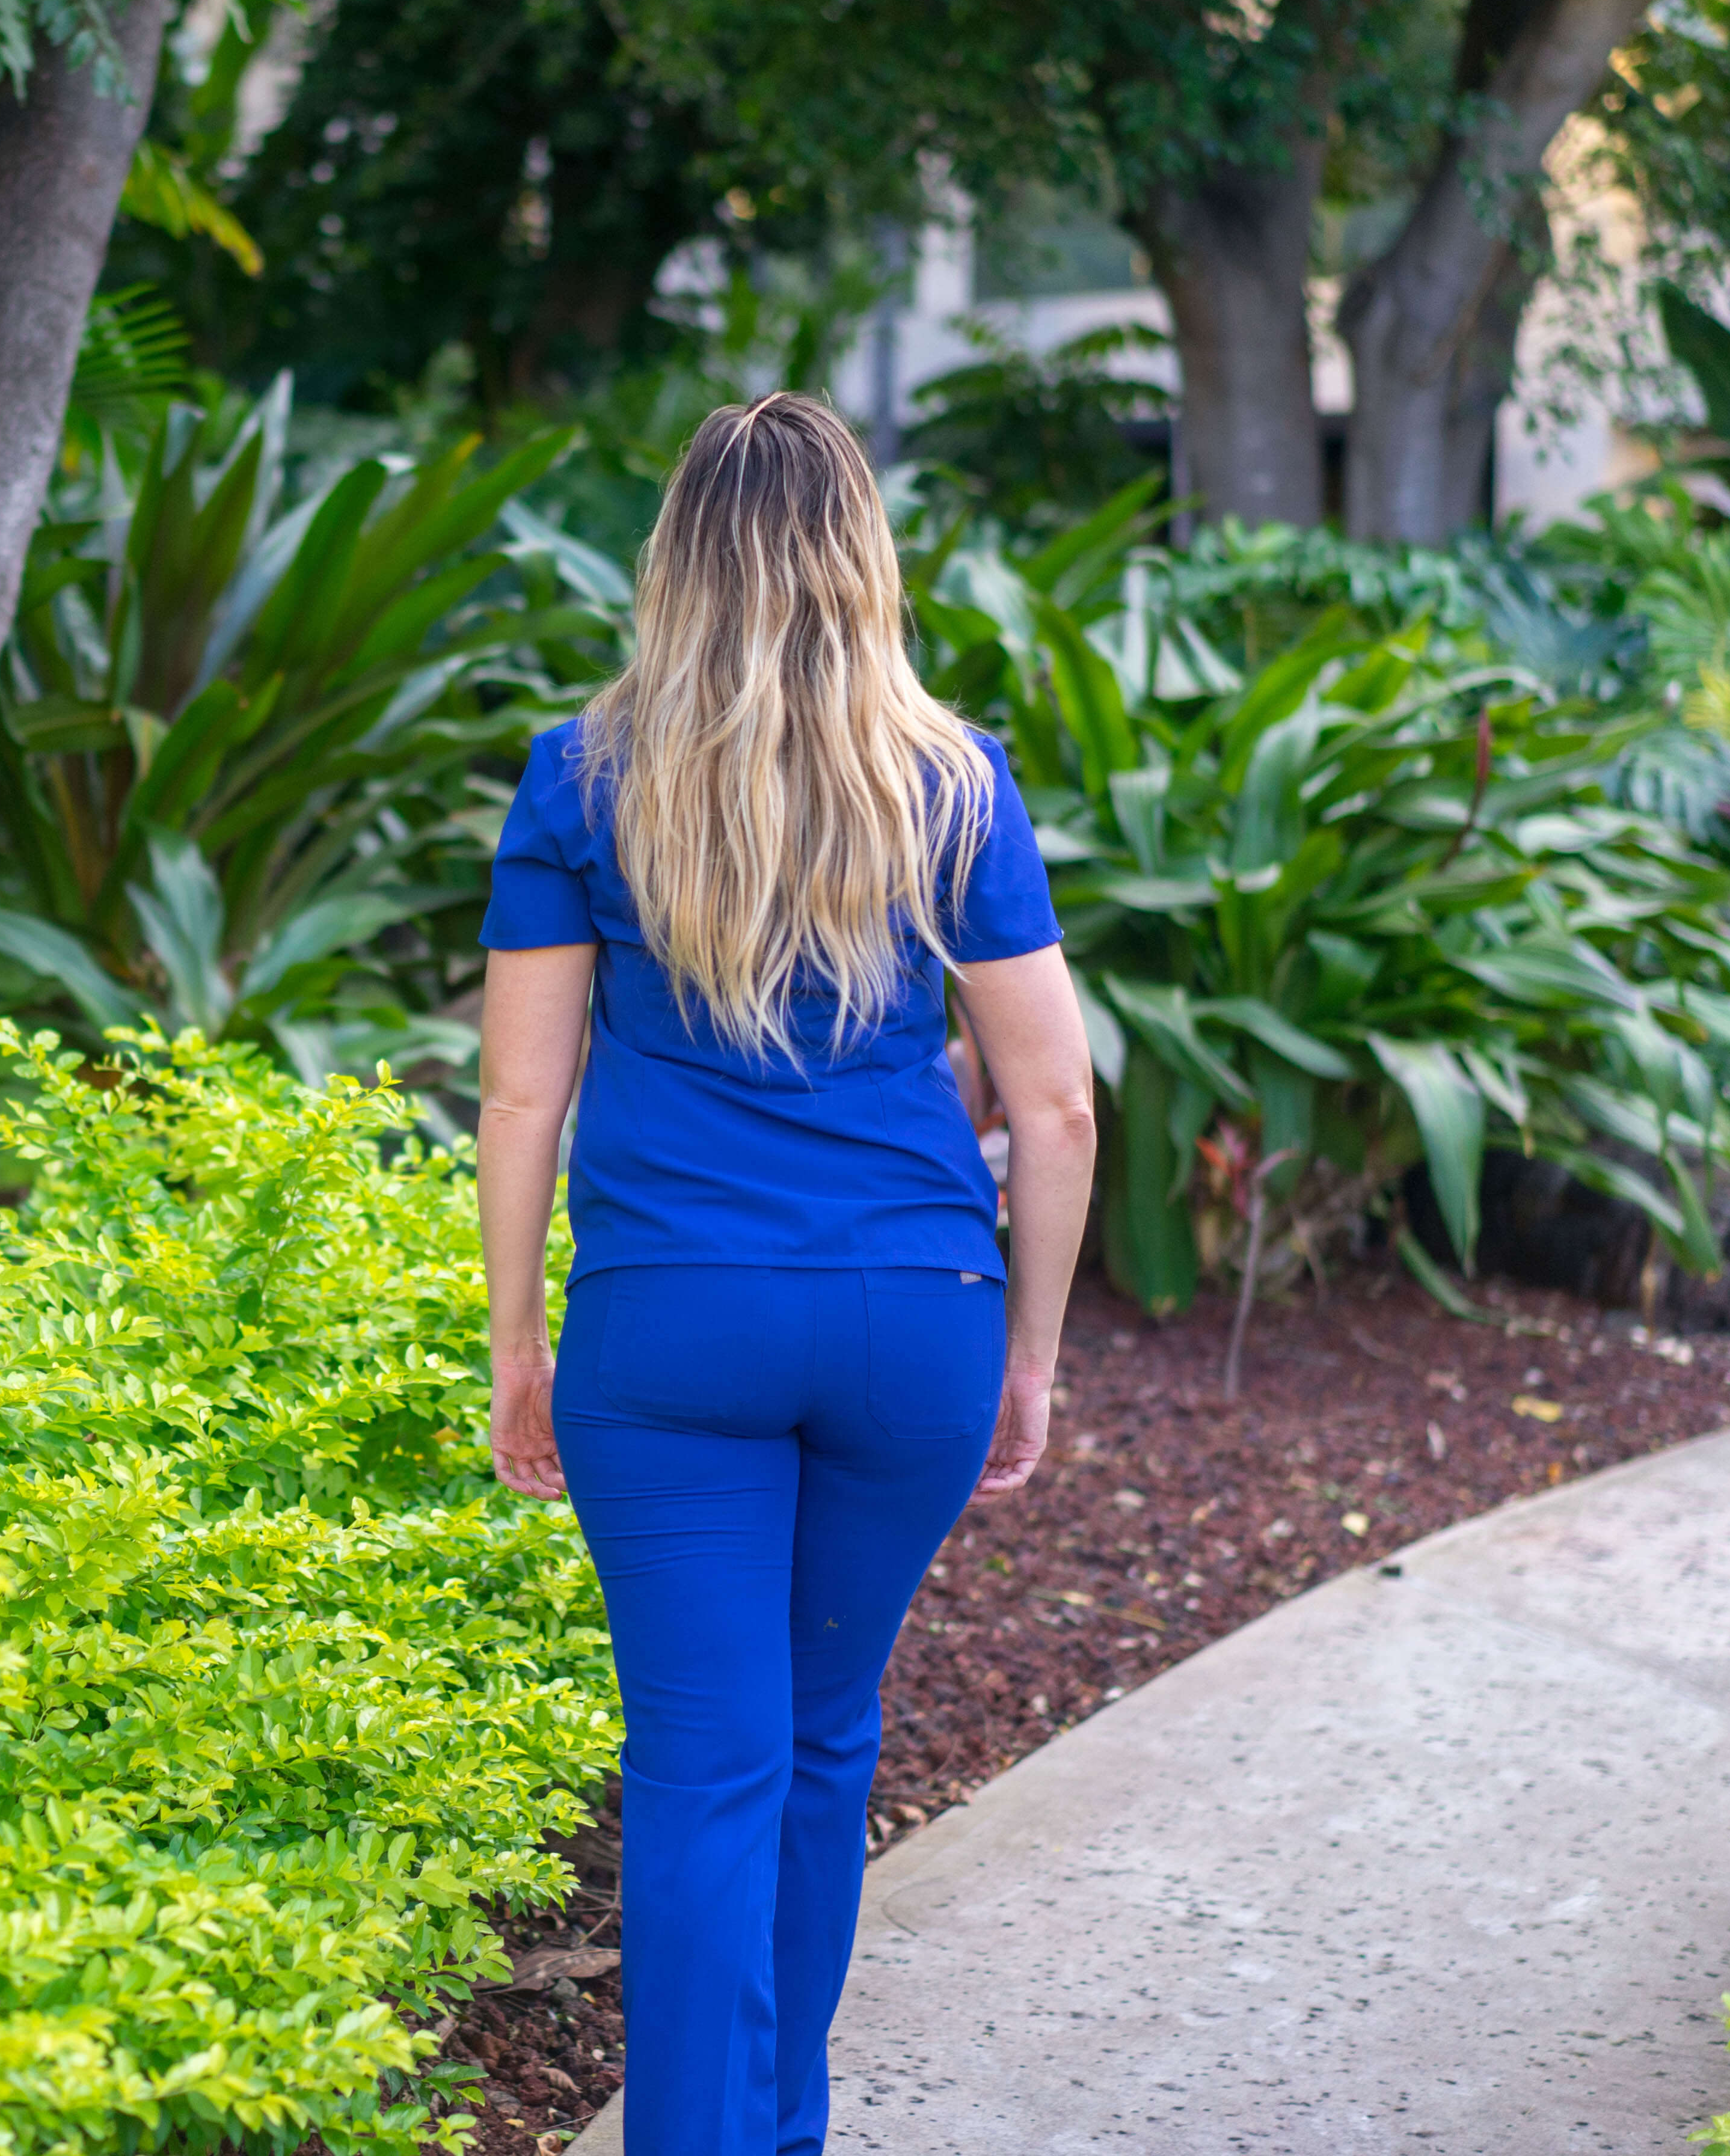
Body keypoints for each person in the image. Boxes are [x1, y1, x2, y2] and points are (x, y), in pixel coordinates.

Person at [476, 392, 1096, 2156]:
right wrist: (1031, 1356)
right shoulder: (953, 785)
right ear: (862, 568)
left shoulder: (581, 778)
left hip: (669, 1330)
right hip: (914, 1324)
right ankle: (781, 2132)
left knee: (701, 1774)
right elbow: (1053, 1106)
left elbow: (524, 1090)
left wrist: (517, 1337)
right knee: (822, 1741)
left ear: (675, 565)